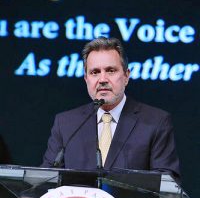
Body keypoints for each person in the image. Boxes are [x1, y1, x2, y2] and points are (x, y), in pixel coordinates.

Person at [41, 37, 180, 179]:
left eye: (110, 70)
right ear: (86, 79)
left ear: (126, 76)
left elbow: (166, 185)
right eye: (94, 72)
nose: (102, 79)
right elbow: (46, 178)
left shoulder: (155, 122)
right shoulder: (66, 124)